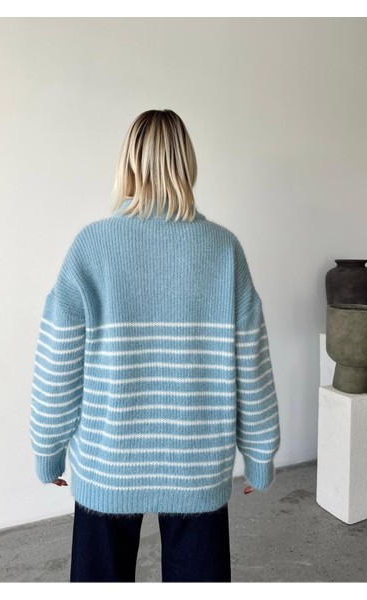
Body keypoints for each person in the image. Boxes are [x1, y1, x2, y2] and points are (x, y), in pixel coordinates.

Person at [29, 109, 281, 583]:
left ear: (126, 163)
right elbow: (252, 361)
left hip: (108, 462)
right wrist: (260, 455)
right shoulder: (222, 249)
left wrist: (47, 448)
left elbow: (58, 360)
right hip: (196, 464)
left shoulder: (92, 246)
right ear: (187, 163)